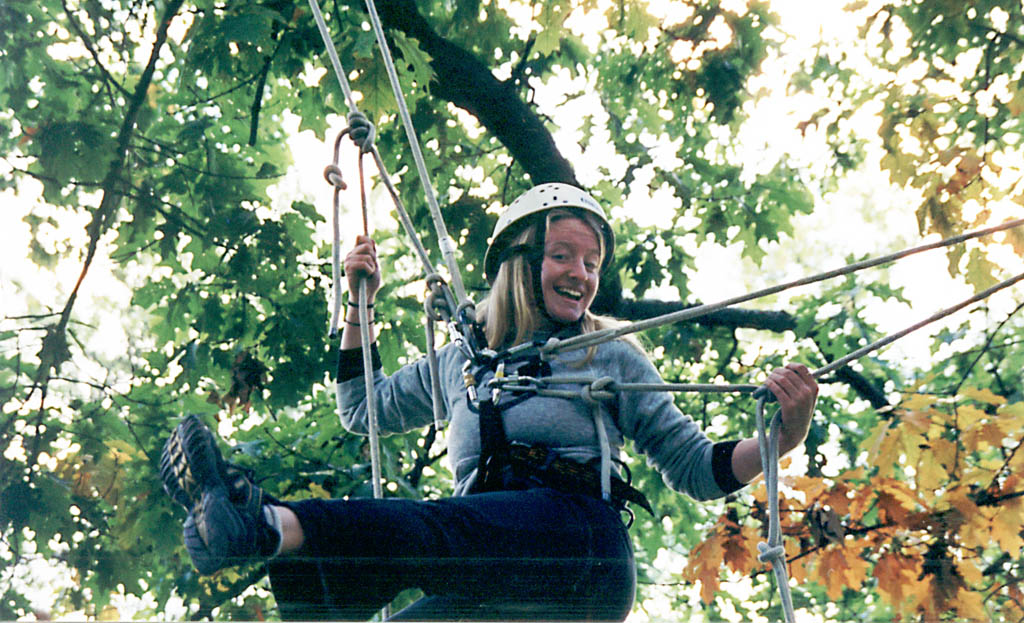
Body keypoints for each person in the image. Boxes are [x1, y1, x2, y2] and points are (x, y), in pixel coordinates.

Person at [160, 182, 818, 621]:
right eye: (564, 255)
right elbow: (363, 410)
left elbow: (696, 467)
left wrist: (782, 436)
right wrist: (359, 303)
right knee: (436, 545)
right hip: (491, 566)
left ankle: (264, 525)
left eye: (591, 263)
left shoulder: (608, 353)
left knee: (433, 525)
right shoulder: (462, 363)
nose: (582, 275)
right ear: (518, 260)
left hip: (577, 548)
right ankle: (281, 557)